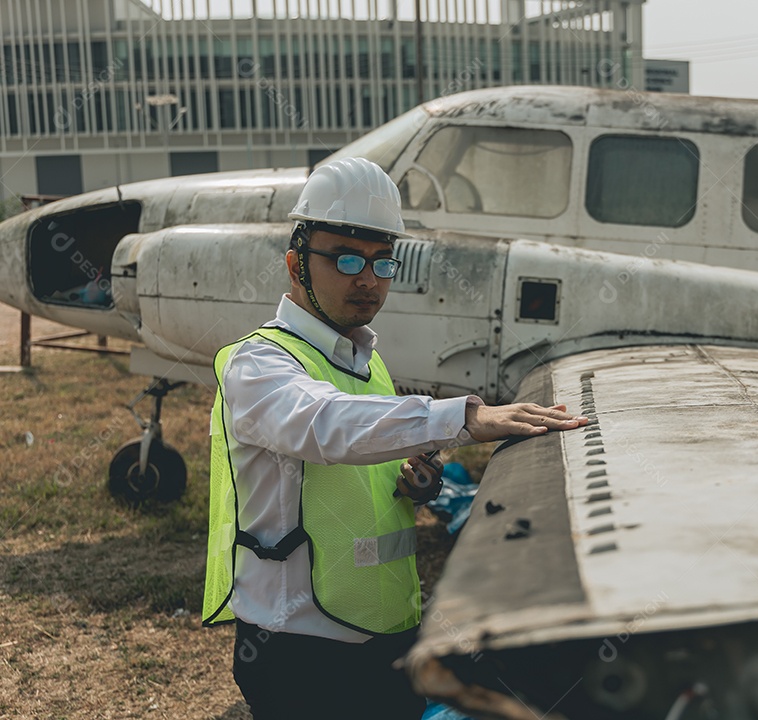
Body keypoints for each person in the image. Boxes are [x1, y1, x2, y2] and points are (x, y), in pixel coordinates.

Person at [202, 157, 588, 719]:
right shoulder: (258, 365)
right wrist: (465, 417)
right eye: (346, 259)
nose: (368, 279)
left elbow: (363, 459)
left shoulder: (365, 361)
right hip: (303, 653)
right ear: (295, 266)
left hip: (385, 632)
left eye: (384, 262)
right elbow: (327, 426)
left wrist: (415, 480)